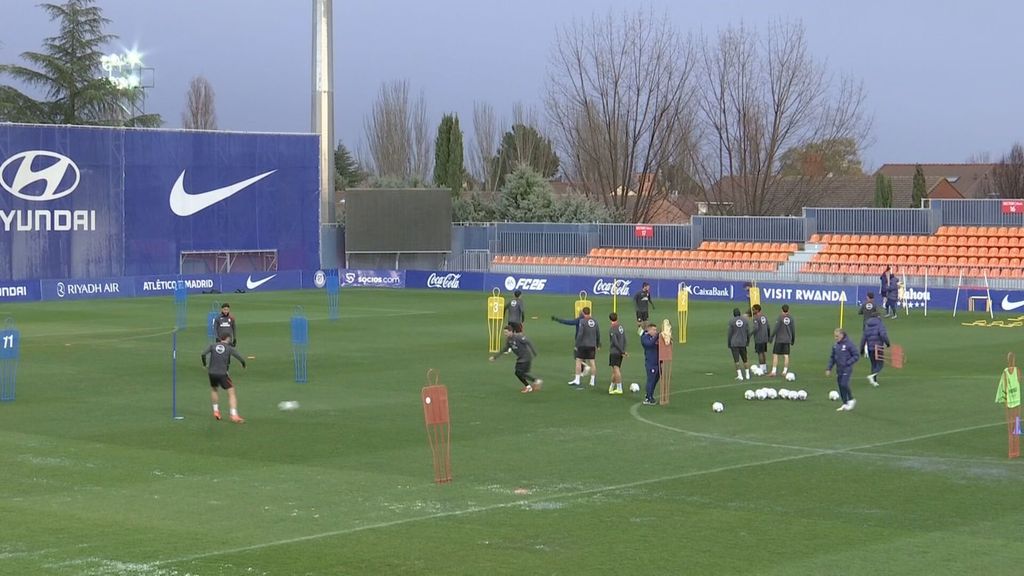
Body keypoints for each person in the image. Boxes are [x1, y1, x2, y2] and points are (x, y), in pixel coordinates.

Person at [201, 333, 247, 423]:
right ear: (228, 338)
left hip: (212, 373)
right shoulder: (229, 348)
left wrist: (204, 364)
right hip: (222, 373)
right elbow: (239, 357)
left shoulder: (212, 345)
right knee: (231, 392)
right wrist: (243, 364)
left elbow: (203, 354)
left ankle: (216, 411)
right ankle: (234, 415)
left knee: (214, 390)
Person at [490, 324, 543, 393]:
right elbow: (505, 349)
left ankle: (535, 381)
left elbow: (528, 342)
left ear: (511, 331)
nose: (505, 334)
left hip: (526, 357)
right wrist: (495, 357)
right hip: (521, 358)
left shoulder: (518, 337)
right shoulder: (509, 340)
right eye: (504, 333)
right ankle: (530, 386)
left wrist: (534, 352)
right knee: (519, 373)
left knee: (519, 373)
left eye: (506, 332)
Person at [826, 328, 860, 411]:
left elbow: (856, 355)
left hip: (847, 368)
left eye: (837, 336)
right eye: (835, 336)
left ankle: (851, 399)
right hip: (839, 369)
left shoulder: (849, 344)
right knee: (840, 386)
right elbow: (832, 358)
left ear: (842, 335)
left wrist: (848, 363)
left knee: (844, 384)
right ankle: (845, 403)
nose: (835, 338)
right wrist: (829, 368)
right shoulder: (835, 345)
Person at [552, 310, 589, 386]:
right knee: (582, 355)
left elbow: (568, 322)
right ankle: (583, 371)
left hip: (580, 341)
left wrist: (557, 319)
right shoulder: (589, 321)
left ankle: (585, 367)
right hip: (588, 341)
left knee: (577, 356)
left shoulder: (579, 320)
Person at [570, 307, 600, 387]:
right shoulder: (595, 321)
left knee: (578, 361)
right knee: (592, 362)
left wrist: (577, 344)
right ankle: (592, 381)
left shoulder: (582, 321)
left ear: (583, 313)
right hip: (592, 345)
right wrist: (598, 344)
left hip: (583, 345)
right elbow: (598, 333)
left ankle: (577, 380)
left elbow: (580, 334)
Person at [859, 315, 890, 387]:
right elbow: (883, 335)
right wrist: (887, 343)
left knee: (873, 364)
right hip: (878, 347)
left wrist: (862, 349)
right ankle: (872, 376)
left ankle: (874, 381)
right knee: (880, 364)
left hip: (870, 348)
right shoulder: (880, 324)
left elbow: (863, 338)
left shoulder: (867, 326)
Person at [769, 304, 796, 377]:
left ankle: (774, 371)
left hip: (779, 339)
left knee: (775, 355)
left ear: (782, 310)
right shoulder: (791, 318)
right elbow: (793, 329)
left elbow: (776, 328)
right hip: (787, 339)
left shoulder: (780, 317)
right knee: (786, 355)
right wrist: (793, 339)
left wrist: (771, 337)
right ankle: (784, 371)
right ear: (788, 310)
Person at [728, 308, 752, 381]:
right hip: (743, 343)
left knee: (736, 360)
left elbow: (730, 334)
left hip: (734, 343)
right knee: (745, 359)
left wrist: (729, 343)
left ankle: (740, 375)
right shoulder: (745, 321)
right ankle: (747, 375)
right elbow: (748, 332)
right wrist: (747, 341)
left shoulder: (732, 321)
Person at [639, 323, 660, 405]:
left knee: (655, 379)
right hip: (650, 363)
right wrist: (657, 335)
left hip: (657, 362)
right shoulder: (644, 338)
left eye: (656, 330)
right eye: (654, 330)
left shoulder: (654, 337)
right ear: (649, 330)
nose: (655, 331)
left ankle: (650, 394)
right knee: (651, 380)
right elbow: (649, 344)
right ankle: (648, 398)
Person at [608, 312, 627, 395]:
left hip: (615, 352)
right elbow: (624, 339)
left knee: (616, 369)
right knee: (614, 371)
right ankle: (611, 387)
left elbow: (615, 342)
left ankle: (619, 388)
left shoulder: (612, 328)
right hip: (620, 351)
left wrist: (622, 351)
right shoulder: (620, 327)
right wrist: (623, 350)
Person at [751, 304, 770, 375]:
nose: (752, 311)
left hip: (759, 337)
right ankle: (764, 369)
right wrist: (768, 336)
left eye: (753, 310)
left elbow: (756, 328)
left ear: (757, 310)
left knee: (760, 353)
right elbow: (768, 327)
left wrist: (750, 334)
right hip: (765, 337)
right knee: (763, 352)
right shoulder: (764, 316)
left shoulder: (756, 318)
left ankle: (761, 369)